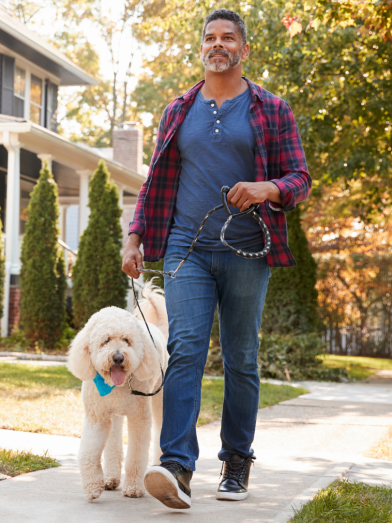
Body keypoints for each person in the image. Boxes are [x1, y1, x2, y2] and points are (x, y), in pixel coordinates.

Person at [122, 8, 311, 510]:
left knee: (241, 356)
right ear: (201, 47)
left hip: (248, 249)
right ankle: (178, 466)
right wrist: (134, 236)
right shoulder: (177, 110)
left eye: (228, 38)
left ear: (244, 50)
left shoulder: (272, 109)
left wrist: (267, 187)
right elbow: (154, 181)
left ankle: (236, 459)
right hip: (187, 245)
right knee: (184, 348)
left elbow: (299, 178)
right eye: (210, 37)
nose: (218, 44)